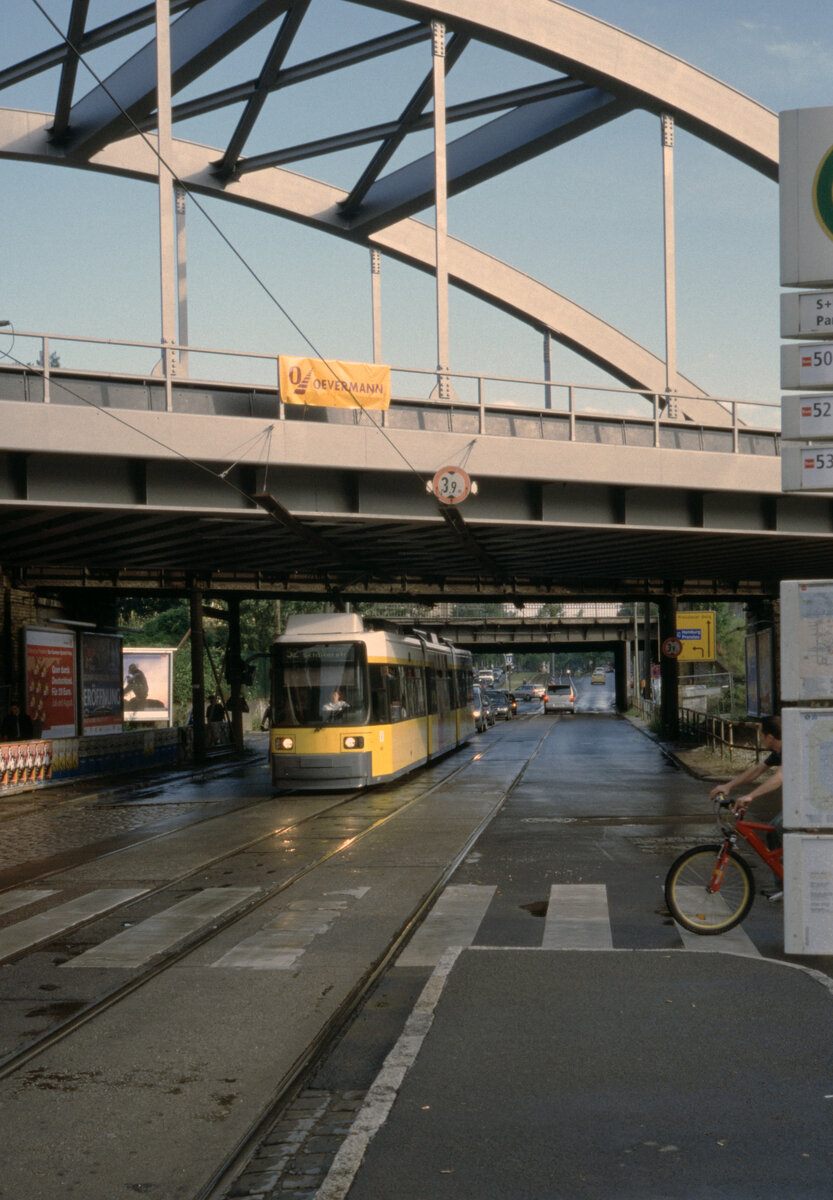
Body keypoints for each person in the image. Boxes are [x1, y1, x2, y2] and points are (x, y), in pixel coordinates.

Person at [709, 714, 782, 898]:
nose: (760, 737)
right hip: (804, 805)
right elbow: (757, 771)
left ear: (770, 737)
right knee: (773, 831)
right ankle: (783, 884)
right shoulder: (778, 752)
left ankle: (809, 876)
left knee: (784, 830)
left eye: (761, 734)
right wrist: (728, 786)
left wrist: (751, 796)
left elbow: (780, 777)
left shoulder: (791, 748)